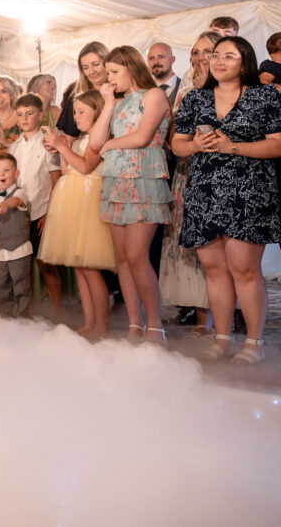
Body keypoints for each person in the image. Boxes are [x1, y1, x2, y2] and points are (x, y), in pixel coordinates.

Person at [172, 36, 281, 364]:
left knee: (244, 269)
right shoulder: (195, 98)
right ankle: (222, 338)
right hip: (204, 192)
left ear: (245, 61)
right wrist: (195, 147)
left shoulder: (265, 97)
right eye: (215, 55)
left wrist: (230, 146)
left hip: (249, 193)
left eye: (228, 56)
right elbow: (177, 143)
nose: (218, 61)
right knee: (214, 269)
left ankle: (253, 343)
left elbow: (276, 145)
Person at [90, 45, 172, 344]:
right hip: (115, 181)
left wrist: (111, 146)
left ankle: (155, 324)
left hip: (144, 177)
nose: (109, 78)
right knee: (122, 258)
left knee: (138, 256)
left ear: (131, 67)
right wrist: (108, 103)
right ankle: (134, 324)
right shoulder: (118, 100)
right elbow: (97, 140)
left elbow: (143, 136)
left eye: (114, 72)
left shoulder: (154, 95)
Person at [39, 90, 117, 337]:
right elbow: (67, 169)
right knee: (78, 268)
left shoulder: (97, 137)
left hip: (88, 201)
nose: (76, 116)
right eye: (75, 111)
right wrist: (62, 147)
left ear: (98, 112)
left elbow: (85, 166)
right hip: (72, 199)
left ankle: (101, 324)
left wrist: (63, 146)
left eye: (82, 111)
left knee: (90, 268)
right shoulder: (80, 138)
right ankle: (89, 322)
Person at [159, 31, 220, 335]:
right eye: (195, 52)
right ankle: (200, 315)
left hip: (218, 176)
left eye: (206, 51)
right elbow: (173, 139)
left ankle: (220, 317)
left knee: (214, 248)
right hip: (186, 173)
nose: (199, 58)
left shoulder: (229, 88)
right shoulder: (186, 88)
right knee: (188, 247)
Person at [8, 92, 61, 315]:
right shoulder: (14, 147)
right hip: (20, 213)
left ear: (40, 114)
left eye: (29, 113)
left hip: (41, 211)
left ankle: (58, 311)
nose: (24, 118)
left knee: (45, 263)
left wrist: (50, 213)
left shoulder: (47, 143)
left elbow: (56, 179)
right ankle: (27, 311)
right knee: (23, 264)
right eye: (20, 114)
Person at [0, 153, 32, 317]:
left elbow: (16, 201)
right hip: (0, 254)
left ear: (16, 173)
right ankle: (7, 319)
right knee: (3, 287)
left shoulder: (20, 192)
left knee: (21, 286)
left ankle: (23, 319)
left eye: (6, 170)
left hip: (19, 250)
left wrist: (6, 204)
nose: (2, 174)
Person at [57, 41, 108, 137]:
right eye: (85, 67)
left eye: (96, 64)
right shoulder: (77, 97)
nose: (91, 71)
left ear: (107, 62)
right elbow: (67, 136)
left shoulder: (120, 91)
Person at [147, 42, 181, 108]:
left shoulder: (185, 87)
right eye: (151, 58)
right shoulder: (142, 90)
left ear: (172, 60)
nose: (156, 62)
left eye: (161, 57)